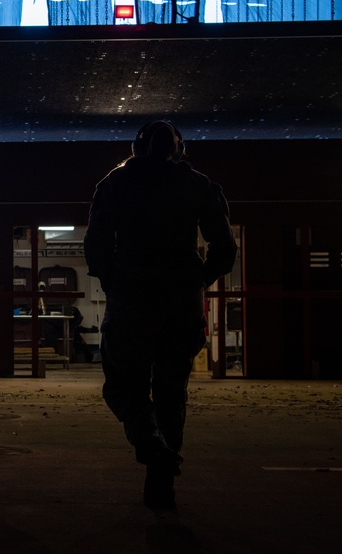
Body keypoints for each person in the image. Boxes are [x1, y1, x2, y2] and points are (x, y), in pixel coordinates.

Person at [84, 120, 236, 509]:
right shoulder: (199, 185)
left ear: (136, 148)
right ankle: (161, 475)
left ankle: (149, 443)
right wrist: (199, 280)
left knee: (123, 384)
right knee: (172, 390)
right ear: (180, 149)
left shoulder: (114, 184)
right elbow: (224, 247)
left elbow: (97, 244)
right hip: (181, 300)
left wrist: (113, 282)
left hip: (132, 295)